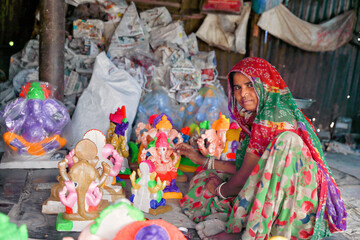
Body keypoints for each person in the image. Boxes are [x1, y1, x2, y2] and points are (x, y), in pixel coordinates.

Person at [175, 57, 346, 240]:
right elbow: (252, 168)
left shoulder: (274, 115)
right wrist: (201, 160)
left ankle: (248, 230)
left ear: (265, 86)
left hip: (296, 203)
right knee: (203, 178)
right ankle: (243, 223)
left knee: (288, 141)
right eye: (238, 87)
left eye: (250, 85)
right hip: (267, 185)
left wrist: (221, 191)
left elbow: (245, 176)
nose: (243, 94)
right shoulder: (252, 117)